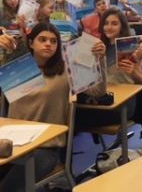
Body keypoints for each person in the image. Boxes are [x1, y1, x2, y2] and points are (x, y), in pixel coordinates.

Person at [0, 22, 107, 192]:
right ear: (31, 43)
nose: (48, 44)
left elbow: (98, 91)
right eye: (42, 39)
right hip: (12, 144)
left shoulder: (66, 69)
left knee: (8, 189)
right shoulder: (16, 68)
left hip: (45, 148)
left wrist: (100, 61)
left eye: (53, 41)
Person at [76, 7, 142, 146]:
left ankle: (65, 163)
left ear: (122, 26)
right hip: (102, 100)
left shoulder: (132, 47)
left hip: (123, 105)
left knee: (74, 118)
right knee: (72, 112)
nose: (109, 27)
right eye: (106, 23)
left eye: (114, 23)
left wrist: (134, 73)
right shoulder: (99, 48)